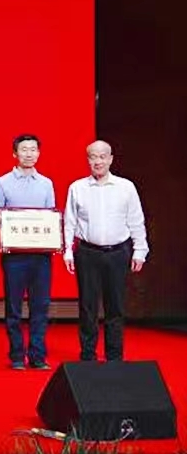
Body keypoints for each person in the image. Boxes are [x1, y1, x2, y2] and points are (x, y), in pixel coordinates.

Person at [63, 140, 148, 362]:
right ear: (88, 160)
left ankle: (114, 356)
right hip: (87, 253)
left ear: (110, 159)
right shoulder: (77, 188)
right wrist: (67, 251)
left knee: (115, 307)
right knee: (87, 306)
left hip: (118, 253)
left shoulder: (126, 187)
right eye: (93, 157)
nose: (98, 161)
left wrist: (140, 250)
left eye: (102, 156)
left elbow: (136, 220)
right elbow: (69, 222)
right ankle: (87, 355)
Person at [0, 134, 56, 370]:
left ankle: (38, 355)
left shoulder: (46, 183)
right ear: (14, 154)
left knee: (40, 306)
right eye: (24, 150)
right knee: (14, 307)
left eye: (33, 149)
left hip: (41, 255)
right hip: (14, 255)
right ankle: (17, 355)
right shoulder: (2, 182)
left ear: (39, 153)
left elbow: (50, 217)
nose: (29, 154)